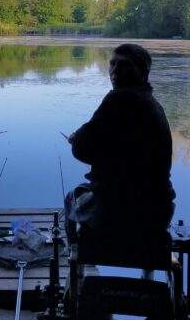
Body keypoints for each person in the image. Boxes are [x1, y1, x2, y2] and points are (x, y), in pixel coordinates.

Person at [64, 43, 175, 264]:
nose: (115, 71)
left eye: (124, 65)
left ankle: (77, 258)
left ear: (143, 71)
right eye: (112, 64)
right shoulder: (152, 104)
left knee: (71, 198)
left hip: (118, 210)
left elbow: (83, 150)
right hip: (158, 210)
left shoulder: (118, 99)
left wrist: (76, 139)